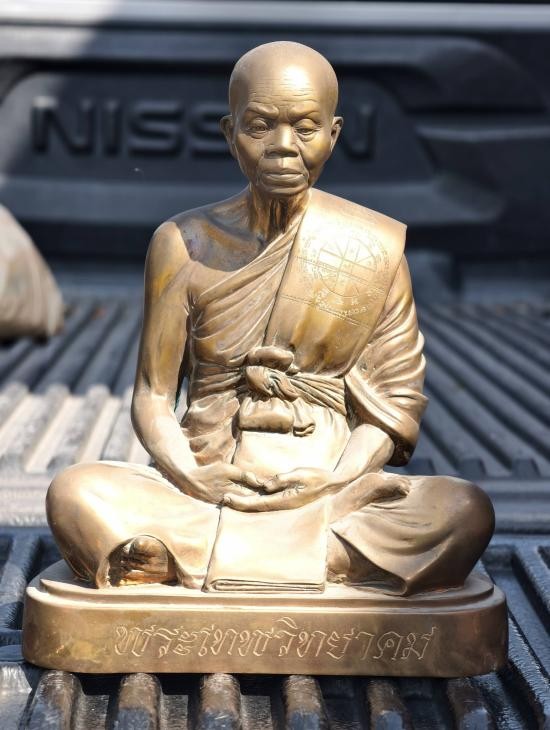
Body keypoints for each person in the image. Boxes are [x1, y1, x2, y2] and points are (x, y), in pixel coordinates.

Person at [47, 42, 494, 595]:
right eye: (260, 126)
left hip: (327, 484)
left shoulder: (374, 249)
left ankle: (190, 558)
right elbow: (154, 395)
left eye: (305, 129)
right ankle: (316, 561)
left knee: (463, 509)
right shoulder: (182, 243)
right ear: (229, 132)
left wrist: (333, 480)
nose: (283, 147)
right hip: (210, 482)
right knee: (75, 493)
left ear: (333, 134)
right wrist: (193, 476)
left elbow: (393, 406)